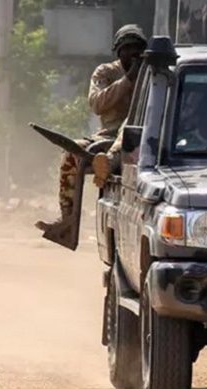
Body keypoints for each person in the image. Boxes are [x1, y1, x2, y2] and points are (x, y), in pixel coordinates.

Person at [36, 24, 147, 236]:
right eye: (128, 48)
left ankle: (109, 161)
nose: (133, 54)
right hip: (106, 137)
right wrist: (128, 80)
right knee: (72, 152)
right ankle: (67, 220)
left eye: (137, 49)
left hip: (142, 138)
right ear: (118, 51)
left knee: (131, 124)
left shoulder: (152, 74)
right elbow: (96, 104)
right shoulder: (106, 72)